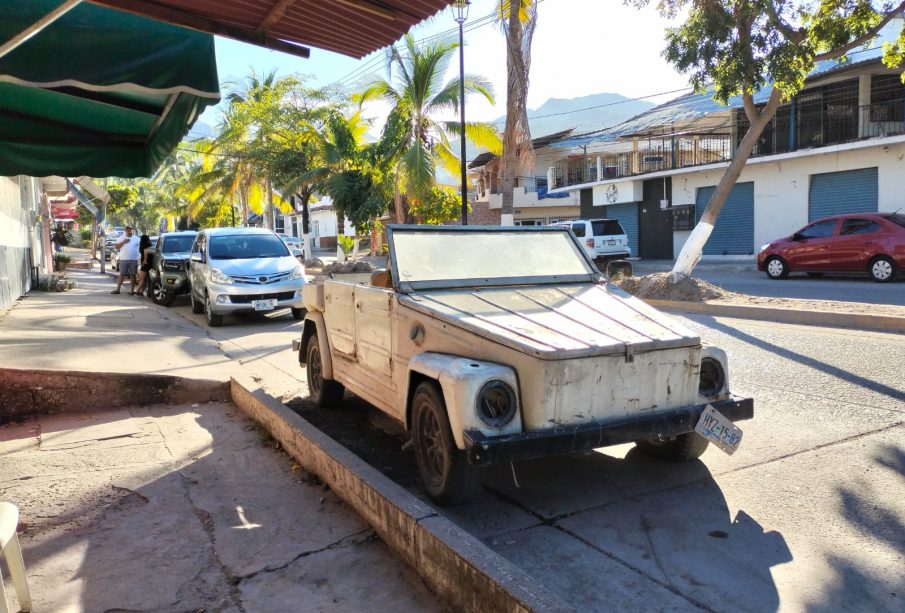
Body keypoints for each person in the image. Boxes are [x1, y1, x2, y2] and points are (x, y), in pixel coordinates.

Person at [111, 226, 141, 295]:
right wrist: (123, 242)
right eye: (128, 230)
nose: (129, 232)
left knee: (132, 275)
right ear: (125, 231)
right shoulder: (121, 237)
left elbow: (141, 247)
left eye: (130, 230)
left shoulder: (136, 238)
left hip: (133, 259)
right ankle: (118, 289)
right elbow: (116, 246)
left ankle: (132, 291)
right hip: (123, 259)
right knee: (122, 274)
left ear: (132, 231)